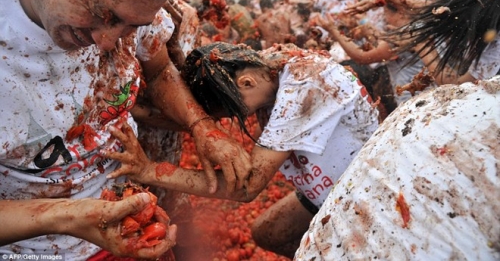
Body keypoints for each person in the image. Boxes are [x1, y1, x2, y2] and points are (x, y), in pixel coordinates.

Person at [0, 0, 252, 259]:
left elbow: (159, 71)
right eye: (103, 14)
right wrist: (66, 216)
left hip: (130, 218)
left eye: (132, 26)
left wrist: (200, 124)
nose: (108, 42)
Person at [294, 0, 500, 259]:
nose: (385, 16)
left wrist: (336, 32)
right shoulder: (431, 23)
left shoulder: (416, 32)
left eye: (389, 10)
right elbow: (445, 13)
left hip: (440, 118)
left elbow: (373, 60)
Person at [104, 42, 380, 258]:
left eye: (235, 112)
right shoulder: (266, 65)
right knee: (268, 233)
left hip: (365, 197)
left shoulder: (303, 84)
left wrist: (150, 171)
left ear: (246, 83)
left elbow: (246, 188)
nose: (234, 120)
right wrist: (134, 110)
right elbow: (197, 114)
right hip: (326, 190)